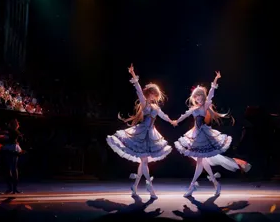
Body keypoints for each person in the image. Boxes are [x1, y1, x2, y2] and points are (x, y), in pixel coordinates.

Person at [173, 71, 251, 197]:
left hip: (203, 135)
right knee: (203, 162)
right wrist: (175, 121)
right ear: (194, 98)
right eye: (197, 97)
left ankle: (192, 186)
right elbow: (184, 115)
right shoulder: (194, 108)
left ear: (203, 97)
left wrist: (215, 80)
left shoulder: (205, 106)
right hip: (195, 135)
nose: (199, 99)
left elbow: (211, 94)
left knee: (200, 162)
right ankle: (215, 184)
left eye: (200, 97)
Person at [106, 64, 174, 199]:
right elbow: (137, 89)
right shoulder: (144, 103)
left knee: (143, 162)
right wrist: (133, 74)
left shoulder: (155, 107)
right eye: (153, 94)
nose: (154, 97)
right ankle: (150, 188)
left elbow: (163, 116)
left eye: (156, 95)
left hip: (151, 134)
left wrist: (172, 121)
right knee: (144, 161)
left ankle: (135, 187)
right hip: (141, 133)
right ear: (149, 94)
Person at [1, 118, 23, 194]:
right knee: (13, 169)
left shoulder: (10, 132)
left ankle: (11, 188)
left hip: (9, 149)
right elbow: (18, 140)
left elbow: (8, 139)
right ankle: (13, 188)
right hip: (13, 149)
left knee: (9, 169)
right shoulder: (16, 132)